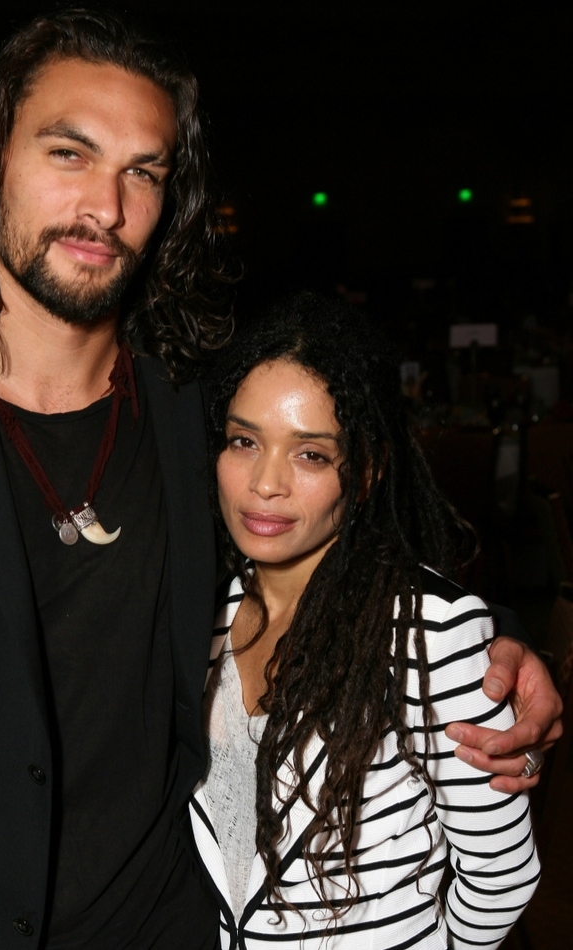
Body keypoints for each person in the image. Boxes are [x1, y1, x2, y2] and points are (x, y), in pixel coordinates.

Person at [0, 8, 560, 949]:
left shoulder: (204, 402)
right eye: (70, 153)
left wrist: (498, 647)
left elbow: (352, 537)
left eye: (143, 172)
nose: (105, 206)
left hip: (161, 923)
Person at [190, 293, 542, 948]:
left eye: (311, 455)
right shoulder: (204, 610)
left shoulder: (427, 629)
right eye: (244, 440)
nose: (266, 483)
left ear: (370, 470)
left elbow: (501, 876)